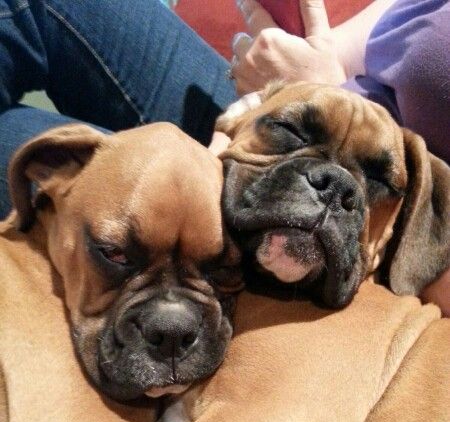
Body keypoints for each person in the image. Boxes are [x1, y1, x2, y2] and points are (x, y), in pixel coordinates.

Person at [0, 0, 448, 311]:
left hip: (395, 212)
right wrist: (289, 79)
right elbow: (346, 51)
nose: (326, 189)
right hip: (270, 127)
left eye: (378, 176)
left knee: (11, 137)